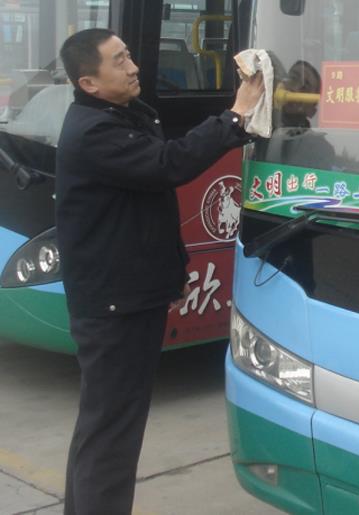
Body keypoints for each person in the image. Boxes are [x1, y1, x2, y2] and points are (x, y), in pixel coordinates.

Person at [55, 28, 263, 515]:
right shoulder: (95, 132)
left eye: (128, 54)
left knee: (103, 428)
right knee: (112, 433)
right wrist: (236, 114)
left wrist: (174, 269)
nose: (133, 67)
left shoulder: (118, 114)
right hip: (115, 307)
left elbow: (142, 209)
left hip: (127, 294)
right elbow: (169, 164)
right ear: (89, 83)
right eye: (119, 61)